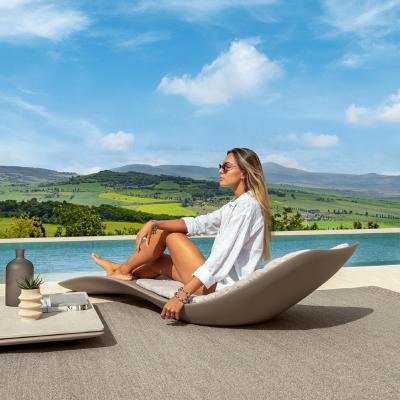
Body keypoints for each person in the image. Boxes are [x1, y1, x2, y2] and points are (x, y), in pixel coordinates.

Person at [91, 147, 272, 320]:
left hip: (219, 288)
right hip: (215, 283)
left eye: (227, 167)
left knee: (168, 233)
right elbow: (200, 223)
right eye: (220, 166)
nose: (220, 171)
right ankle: (120, 269)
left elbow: (221, 258)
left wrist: (181, 296)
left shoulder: (246, 207)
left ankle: (121, 270)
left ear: (244, 173)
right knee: (160, 263)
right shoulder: (237, 204)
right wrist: (154, 222)